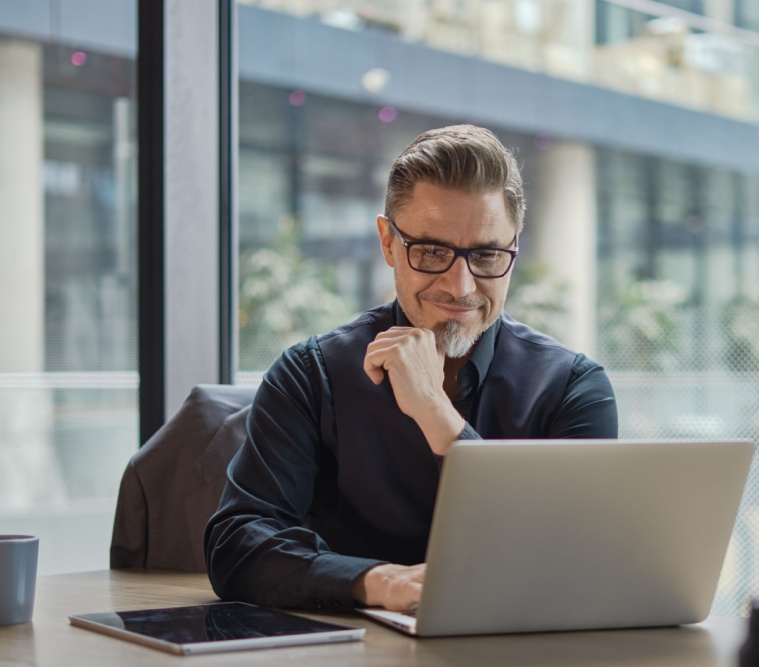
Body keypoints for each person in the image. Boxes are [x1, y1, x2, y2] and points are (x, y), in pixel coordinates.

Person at [204, 124, 618, 614]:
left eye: (486, 255)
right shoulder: (311, 374)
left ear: (514, 250)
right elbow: (236, 545)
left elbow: (574, 561)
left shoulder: (574, 389)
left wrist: (436, 414)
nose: (460, 285)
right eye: (431, 252)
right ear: (388, 243)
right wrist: (376, 583)